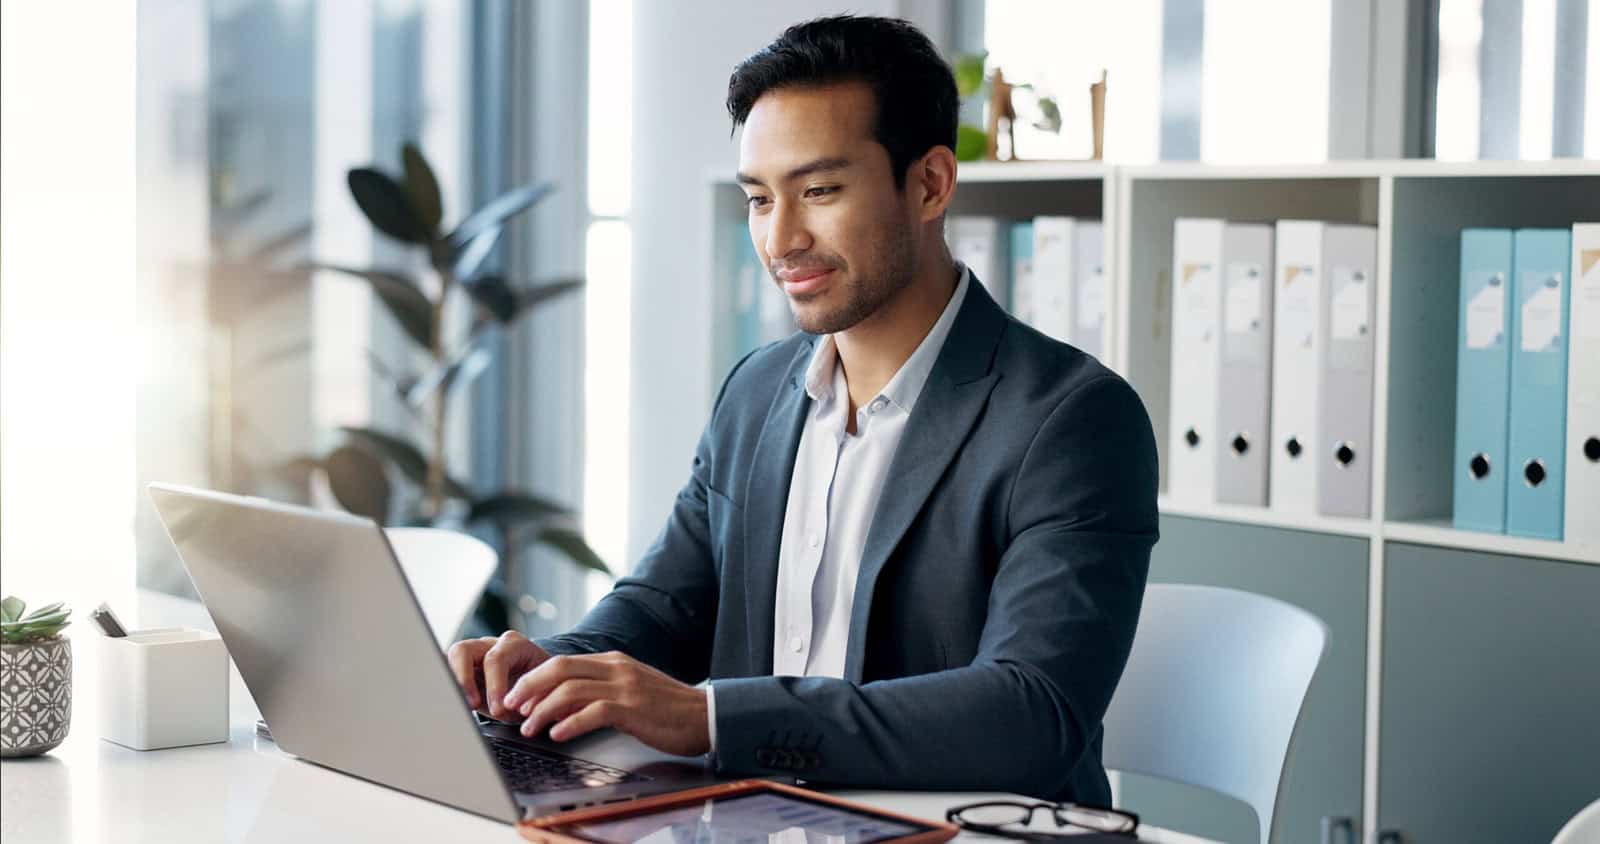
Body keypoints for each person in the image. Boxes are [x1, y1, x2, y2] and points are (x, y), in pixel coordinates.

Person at [448, 13, 1158, 804]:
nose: (781, 239)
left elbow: (1030, 715)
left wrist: (711, 719)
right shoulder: (756, 391)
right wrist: (543, 669)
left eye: (819, 191)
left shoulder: (1073, 419)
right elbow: (663, 607)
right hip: (767, 816)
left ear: (930, 183)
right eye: (759, 198)